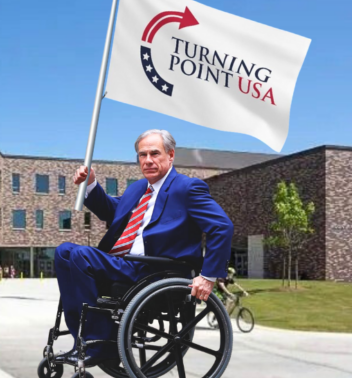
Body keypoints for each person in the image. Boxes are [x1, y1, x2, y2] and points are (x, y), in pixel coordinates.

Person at [54, 129, 233, 365]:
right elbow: (111, 211)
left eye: (154, 153)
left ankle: (99, 343)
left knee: (80, 256)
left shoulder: (187, 188)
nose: (147, 160)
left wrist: (208, 276)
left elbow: (222, 226)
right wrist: (90, 185)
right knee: (63, 252)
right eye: (142, 155)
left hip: (153, 270)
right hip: (123, 263)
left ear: (170, 155)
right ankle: (84, 339)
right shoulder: (137, 189)